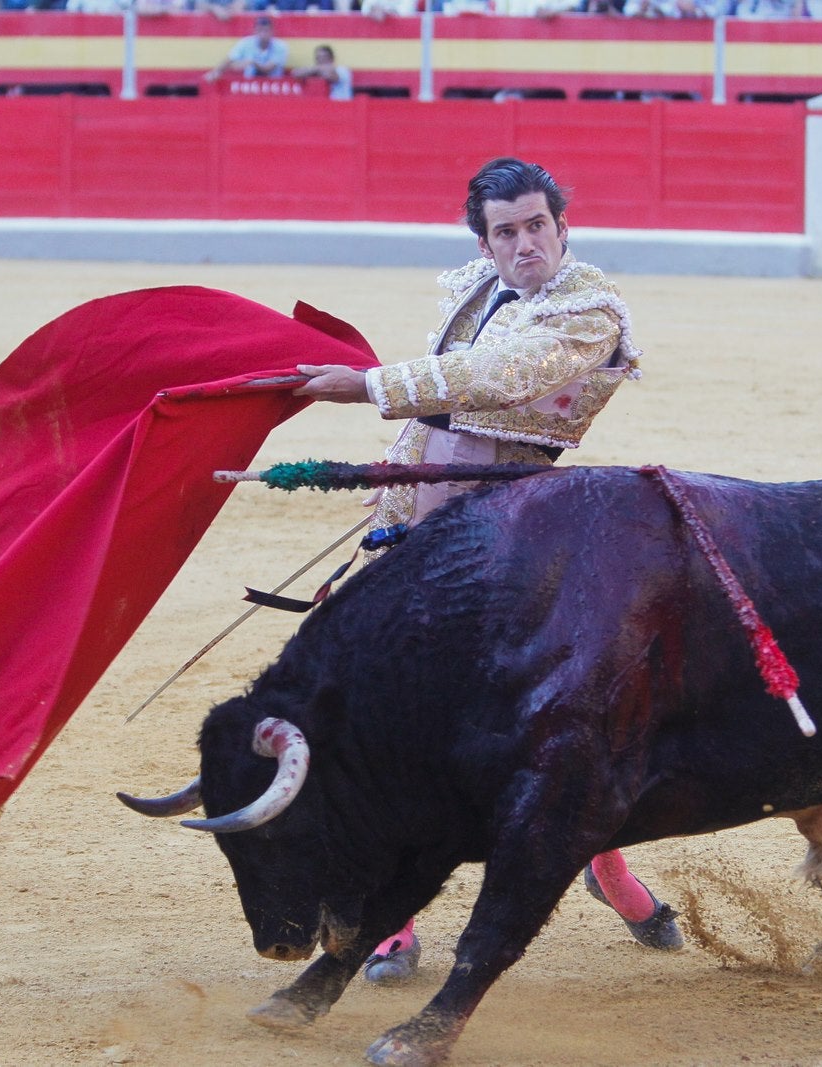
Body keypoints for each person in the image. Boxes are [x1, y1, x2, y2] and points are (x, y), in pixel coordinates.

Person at [292, 157, 683, 985]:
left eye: (538, 225)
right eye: (507, 231)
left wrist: (369, 384)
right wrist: (392, 499)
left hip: (512, 539)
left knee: (565, 725)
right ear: (486, 242)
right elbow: (444, 413)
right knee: (390, 711)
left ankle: (610, 870)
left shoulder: (589, 311)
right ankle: (395, 920)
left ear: (562, 228)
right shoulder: (478, 290)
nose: (526, 243)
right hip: (423, 517)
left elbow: (501, 377)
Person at [203, 15, 289, 83]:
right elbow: (230, 59)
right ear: (255, 31)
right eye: (260, 30)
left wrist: (252, 62)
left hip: (273, 85)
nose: (263, 34)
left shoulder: (280, 46)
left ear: (272, 31)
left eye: (266, 30)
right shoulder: (246, 43)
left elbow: (268, 69)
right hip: (249, 84)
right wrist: (215, 72)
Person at [289, 44, 354, 101]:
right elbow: (295, 73)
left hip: (341, 104)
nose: (321, 60)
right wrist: (315, 70)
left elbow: (331, 77)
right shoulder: (316, 70)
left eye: (324, 57)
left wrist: (316, 69)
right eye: (318, 57)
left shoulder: (342, 70)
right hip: (323, 104)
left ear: (331, 58)